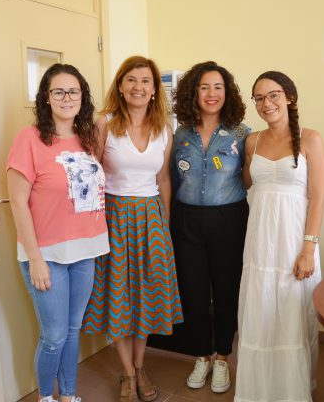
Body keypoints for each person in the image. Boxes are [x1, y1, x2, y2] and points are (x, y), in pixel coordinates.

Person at [81, 56, 183, 402]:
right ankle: (127, 373)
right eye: (132, 80)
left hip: (151, 218)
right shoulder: (105, 124)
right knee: (119, 297)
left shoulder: (163, 129)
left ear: (154, 90)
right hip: (113, 217)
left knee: (146, 297)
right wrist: (94, 224)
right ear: (121, 86)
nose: (139, 87)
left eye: (145, 81)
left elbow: (163, 178)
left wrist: (164, 225)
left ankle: (140, 366)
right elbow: (92, 176)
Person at [6, 63, 109, 402]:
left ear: (82, 96)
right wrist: (34, 259)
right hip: (46, 255)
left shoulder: (88, 138)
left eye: (73, 91)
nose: (67, 97)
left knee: (73, 330)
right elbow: (18, 202)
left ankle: (68, 395)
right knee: (53, 336)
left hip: (84, 252)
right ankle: (46, 398)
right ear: (46, 98)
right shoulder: (29, 138)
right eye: (59, 91)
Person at [234, 71, 324, 402]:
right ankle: (258, 391)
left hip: (294, 240)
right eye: (259, 98)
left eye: (272, 95)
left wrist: (308, 249)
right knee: (260, 312)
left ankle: (292, 392)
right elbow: (247, 185)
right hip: (260, 241)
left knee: (292, 316)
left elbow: (318, 198)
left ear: (289, 97)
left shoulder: (310, 138)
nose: (266, 103)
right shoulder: (252, 141)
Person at [171, 61, 250, 394]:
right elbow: (171, 178)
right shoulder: (180, 133)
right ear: (194, 92)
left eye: (218, 87)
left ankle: (222, 357)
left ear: (227, 93)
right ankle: (201, 355)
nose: (211, 93)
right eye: (204, 87)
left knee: (226, 291)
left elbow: (250, 177)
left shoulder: (242, 133)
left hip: (228, 219)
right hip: (186, 220)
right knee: (193, 292)